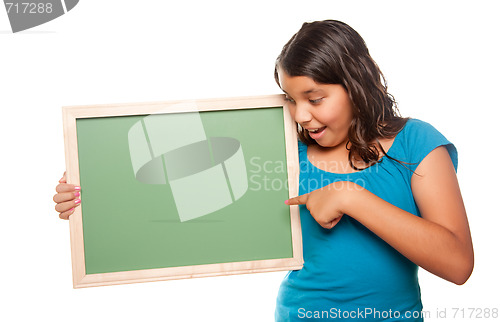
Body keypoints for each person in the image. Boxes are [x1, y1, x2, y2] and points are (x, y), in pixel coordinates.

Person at [54, 20, 473, 321]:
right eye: (291, 99)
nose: (301, 115)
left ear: (356, 84)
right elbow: (173, 195)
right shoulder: (281, 150)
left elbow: (457, 264)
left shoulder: (416, 143)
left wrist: (351, 196)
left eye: (315, 97)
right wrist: (90, 196)